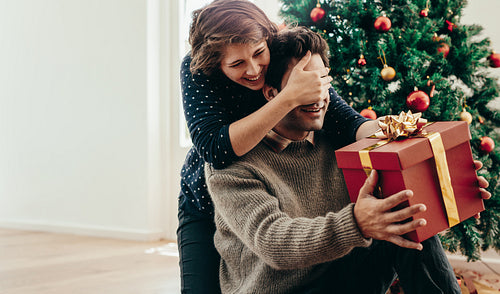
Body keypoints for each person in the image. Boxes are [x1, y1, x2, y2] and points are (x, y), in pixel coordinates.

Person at [205, 27, 491, 293]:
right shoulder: (230, 165)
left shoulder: (339, 138)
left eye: (321, 82)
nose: (318, 96)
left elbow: (404, 192)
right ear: (273, 94)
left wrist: (451, 187)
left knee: (407, 217)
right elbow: (275, 242)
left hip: (340, 276)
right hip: (281, 288)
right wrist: (357, 222)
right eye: (303, 86)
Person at [178, 1, 381, 292]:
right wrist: (287, 98)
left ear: (267, 38)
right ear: (216, 64)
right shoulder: (198, 69)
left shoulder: (284, 51)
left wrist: (399, 133)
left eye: (259, 53)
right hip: (207, 195)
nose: (254, 70)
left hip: (266, 175)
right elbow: (214, 149)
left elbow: (347, 122)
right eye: (236, 64)